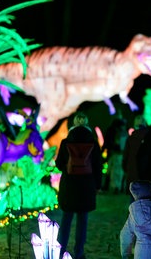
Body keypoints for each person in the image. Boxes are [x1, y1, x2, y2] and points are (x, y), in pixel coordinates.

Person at [55, 111, 103, 259]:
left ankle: (60, 251)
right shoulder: (93, 143)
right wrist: (97, 185)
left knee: (66, 219)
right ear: (87, 123)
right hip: (86, 186)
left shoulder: (66, 142)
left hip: (69, 185)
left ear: (74, 124)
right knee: (83, 221)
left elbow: (59, 164)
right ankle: (79, 253)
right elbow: (98, 166)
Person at [122, 114, 148, 200]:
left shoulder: (131, 138)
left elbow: (126, 155)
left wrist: (125, 168)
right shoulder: (149, 137)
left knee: (133, 197)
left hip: (132, 171)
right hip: (146, 172)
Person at [102, 116, 128, 193]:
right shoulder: (123, 133)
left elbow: (106, 142)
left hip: (112, 153)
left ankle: (108, 186)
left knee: (110, 171)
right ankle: (119, 187)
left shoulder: (111, 130)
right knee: (119, 171)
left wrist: (103, 150)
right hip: (119, 154)